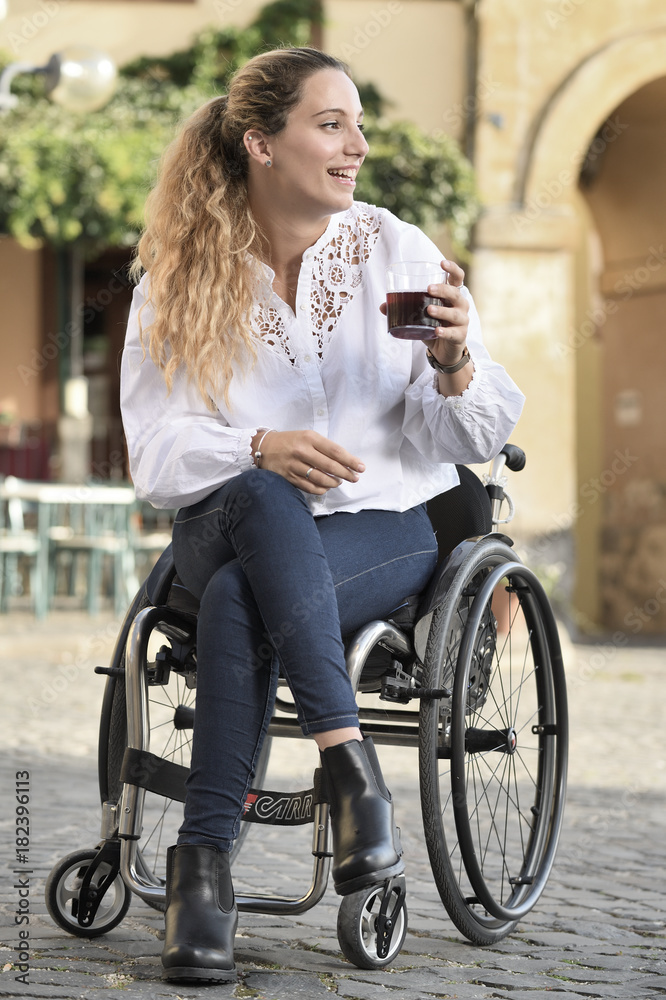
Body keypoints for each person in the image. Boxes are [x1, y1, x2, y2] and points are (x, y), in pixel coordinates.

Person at [120, 46, 524, 984]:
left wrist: (457, 361)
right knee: (259, 499)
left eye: (357, 125)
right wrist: (258, 445)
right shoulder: (178, 281)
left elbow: (460, 430)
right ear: (262, 142)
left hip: (379, 525)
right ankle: (350, 767)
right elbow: (158, 455)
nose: (358, 146)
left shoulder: (395, 250)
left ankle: (203, 873)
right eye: (330, 125)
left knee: (236, 604)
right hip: (222, 519)